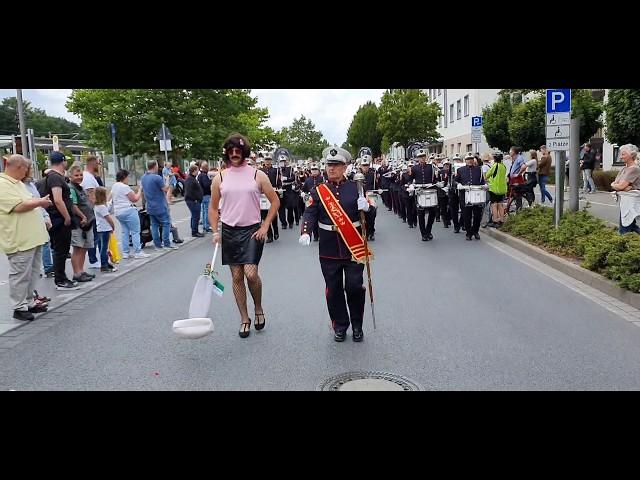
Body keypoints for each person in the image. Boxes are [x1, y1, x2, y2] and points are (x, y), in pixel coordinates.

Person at [209, 133, 280, 338]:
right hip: (230, 231)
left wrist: (266, 225)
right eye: (230, 151)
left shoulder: (257, 175)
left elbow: (275, 201)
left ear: (244, 153)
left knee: (250, 274)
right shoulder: (219, 177)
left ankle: (258, 307)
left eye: (238, 151)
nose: (234, 154)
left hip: (252, 231)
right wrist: (215, 231)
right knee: (237, 277)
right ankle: (244, 318)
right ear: (226, 154)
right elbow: (213, 209)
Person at [299, 148, 371, 342]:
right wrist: (306, 231)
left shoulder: (356, 187)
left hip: (353, 246)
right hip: (329, 248)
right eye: (329, 165)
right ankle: (340, 325)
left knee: (355, 287)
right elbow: (310, 212)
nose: (331, 169)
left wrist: (368, 208)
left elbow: (369, 217)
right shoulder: (319, 190)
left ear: (344, 167)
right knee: (334, 289)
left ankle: (357, 325)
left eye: (335, 165)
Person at [0, 155, 52, 321]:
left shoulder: (18, 184)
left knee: (33, 273)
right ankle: (19, 306)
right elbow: (19, 206)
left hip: (33, 237)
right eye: (26, 168)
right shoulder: (3, 184)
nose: (27, 172)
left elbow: (28, 202)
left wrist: (41, 213)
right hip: (19, 239)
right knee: (20, 275)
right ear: (19, 167)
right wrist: (40, 203)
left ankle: (29, 301)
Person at [42, 151, 78, 290]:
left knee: (62, 249)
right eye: (65, 161)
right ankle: (60, 279)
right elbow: (57, 199)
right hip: (59, 218)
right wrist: (66, 216)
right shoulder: (55, 178)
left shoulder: (54, 176)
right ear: (62, 161)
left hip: (58, 217)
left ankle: (62, 277)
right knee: (60, 250)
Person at [111, 169, 149, 259]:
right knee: (135, 231)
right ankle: (138, 251)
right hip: (128, 210)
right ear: (124, 177)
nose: (128, 179)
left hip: (118, 212)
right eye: (128, 177)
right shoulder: (125, 187)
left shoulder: (114, 186)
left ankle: (125, 252)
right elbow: (135, 199)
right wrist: (140, 190)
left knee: (125, 232)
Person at [68, 165, 96, 283]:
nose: (79, 177)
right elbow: (73, 205)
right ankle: (77, 273)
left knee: (84, 248)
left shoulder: (80, 187)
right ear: (70, 176)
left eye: (80, 175)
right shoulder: (71, 188)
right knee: (78, 248)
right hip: (79, 223)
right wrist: (83, 216)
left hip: (87, 223)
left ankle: (81, 270)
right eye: (76, 175)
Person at [141, 161, 177, 250]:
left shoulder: (143, 177)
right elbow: (165, 189)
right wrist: (168, 179)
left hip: (150, 205)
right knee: (166, 224)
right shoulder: (157, 178)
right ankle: (167, 244)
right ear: (154, 166)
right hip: (160, 205)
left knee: (154, 225)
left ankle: (157, 245)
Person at [455, 152, 486, 240]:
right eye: (468, 159)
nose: (470, 161)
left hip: (476, 195)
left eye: (471, 159)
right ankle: (468, 233)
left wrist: (485, 185)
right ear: (465, 160)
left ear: (473, 160)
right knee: (466, 215)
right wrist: (459, 185)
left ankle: (475, 231)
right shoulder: (460, 170)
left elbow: (482, 181)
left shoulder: (478, 169)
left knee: (477, 215)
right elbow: (455, 181)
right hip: (465, 196)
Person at [610, 144, 640, 235]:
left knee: (625, 227)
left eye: (623, 154)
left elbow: (620, 186)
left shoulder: (634, 169)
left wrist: (617, 186)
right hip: (625, 201)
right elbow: (616, 184)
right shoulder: (624, 169)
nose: (621, 157)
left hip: (630, 201)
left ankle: (623, 246)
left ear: (631, 155)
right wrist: (616, 185)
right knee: (630, 225)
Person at [412, 149, 439, 241]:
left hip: (430, 191)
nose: (422, 158)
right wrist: (411, 185)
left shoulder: (431, 167)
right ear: (418, 158)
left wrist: (436, 183)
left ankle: (428, 230)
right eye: (420, 157)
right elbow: (410, 179)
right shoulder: (414, 168)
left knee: (432, 213)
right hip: (420, 193)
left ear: (426, 157)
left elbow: (435, 179)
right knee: (421, 214)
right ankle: (423, 234)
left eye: (423, 156)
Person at [81, 156, 101, 269]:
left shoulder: (90, 177)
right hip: (91, 212)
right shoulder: (88, 178)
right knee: (93, 236)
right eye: (98, 163)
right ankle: (93, 260)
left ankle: (93, 259)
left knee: (94, 236)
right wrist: (95, 211)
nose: (99, 165)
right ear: (93, 164)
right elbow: (91, 195)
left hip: (91, 211)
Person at [93, 186, 118, 272]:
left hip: (100, 228)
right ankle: (104, 264)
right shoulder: (102, 207)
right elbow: (108, 217)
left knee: (102, 246)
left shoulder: (97, 206)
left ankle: (105, 263)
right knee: (104, 248)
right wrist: (112, 225)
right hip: (105, 229)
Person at [260, 154, 280, 242]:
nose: (267, 161)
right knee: (264, 215)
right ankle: (269, 235)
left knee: (273, 213)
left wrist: (279, 187)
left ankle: (275, 230)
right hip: (262, 194)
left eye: (269, 160)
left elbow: (279, 181)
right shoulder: (260, 171)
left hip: (273, 192)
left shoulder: (275, 170)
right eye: (266, 160)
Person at [485, 152, 508, 227]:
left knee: (494, 205)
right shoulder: (503, 166)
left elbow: (487, 175)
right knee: (500, 204)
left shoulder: (495, 166)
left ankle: (495, 221)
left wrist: (485, 179)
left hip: (494, 188)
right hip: (502, 189)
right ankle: (501, 220)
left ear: (495, 159)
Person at [184, 164, 204, 237]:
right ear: (194, 171)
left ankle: (194, 230)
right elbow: (189, 191)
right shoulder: (190, 179)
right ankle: (194, 231)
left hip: (194, 200)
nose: (198, 172)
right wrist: (195, 199)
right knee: (196, 216)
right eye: (197, 170)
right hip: (193, 201)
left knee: (194, 216)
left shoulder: (192, 178)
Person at [197, 161, 212, 232]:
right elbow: (206, 185)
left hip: (201, 194)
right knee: (207, 211)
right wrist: (210, 182)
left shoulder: (200, 175)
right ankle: (207, 226)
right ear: (206, 168)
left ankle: (204, 225)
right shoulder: (204, 175)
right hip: (206, 194)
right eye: (207, 166)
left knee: (203, 210)